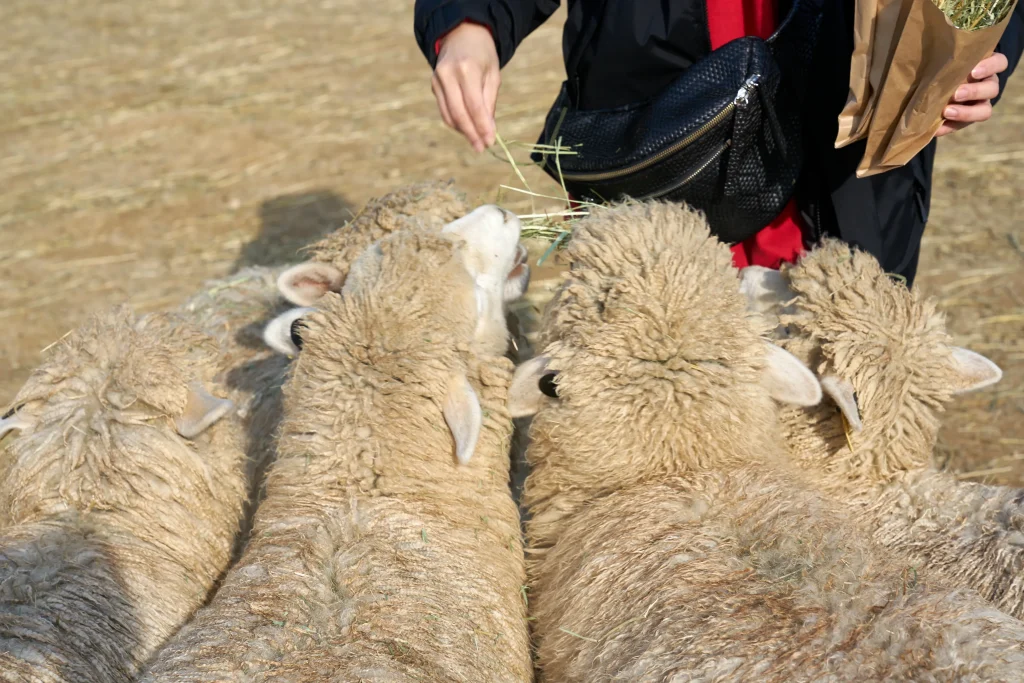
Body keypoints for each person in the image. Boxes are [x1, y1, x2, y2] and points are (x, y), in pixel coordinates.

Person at [414, 0, 1024, 286]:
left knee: (842, 448)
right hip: (656, 157)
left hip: (842, 179)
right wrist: (470, 22)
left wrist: (982, 54)